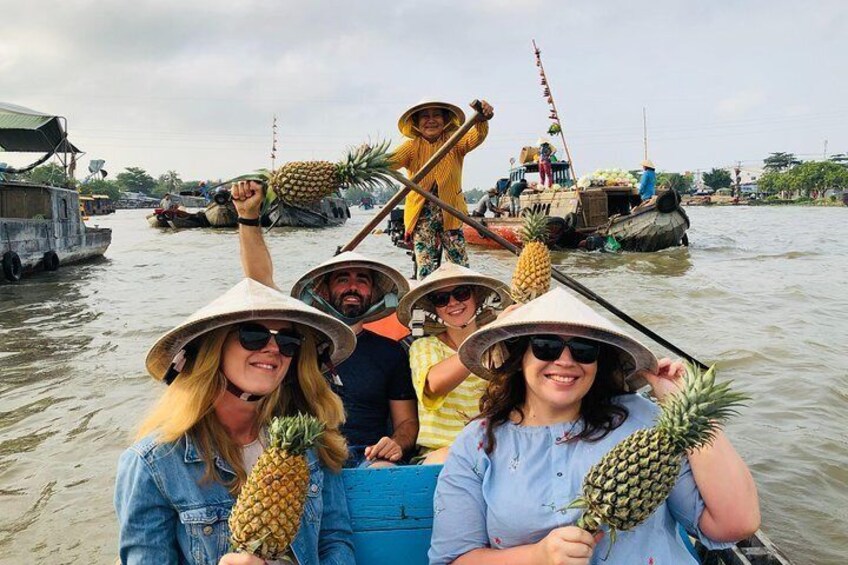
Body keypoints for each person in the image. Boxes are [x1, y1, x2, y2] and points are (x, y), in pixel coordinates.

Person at [430, 287, 761, 564]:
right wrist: (538, 556)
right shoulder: (480, 442)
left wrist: (684, 403)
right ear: (520, 357)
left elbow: (735, 523)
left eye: (583, 349)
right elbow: (455, 558)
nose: (565, 360)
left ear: (598, 361)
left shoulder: (641, 420)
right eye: (546, 345)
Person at [114, 279, 358, 565]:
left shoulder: (306, 445)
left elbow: (335, 541)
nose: (273, 348)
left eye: (288, 341)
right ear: (214, 348)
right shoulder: (154, 464)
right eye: (252, 335)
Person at [230, 181, 419, 468]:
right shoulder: (299, 340)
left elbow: (406, 422)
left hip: (367, 457)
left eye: (362, 280)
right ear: (325, 290)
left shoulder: (390, 352)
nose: (353, 287)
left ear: (374, 294)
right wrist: (248, 218)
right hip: (304, 454)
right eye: (343, 279)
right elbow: (261, 286)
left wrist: (396, 443)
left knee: (385, 470)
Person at [396, 263, 511, 464]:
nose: (453, 302)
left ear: (476, 297)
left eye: (461, 293)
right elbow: (435, 384)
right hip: (440, 454)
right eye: (441, 299)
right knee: (452, 457)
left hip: (496, 450)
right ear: (434, 308)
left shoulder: (499, 346)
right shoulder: (425, 347)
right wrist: (484, 338)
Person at [390, 99, 495, 279]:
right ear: (416, 122)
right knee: (426, 268)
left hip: (452, 214)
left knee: (459, 265)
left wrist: (482, 119)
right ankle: (428, 299)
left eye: (436, 115)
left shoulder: (454, 141)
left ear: (445, 119)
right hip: (422, 216)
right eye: (425, 116)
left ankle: (461, 297)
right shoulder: (411, 147)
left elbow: (475, 137)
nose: (431, 120)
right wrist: (369, 158)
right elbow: (389, 162)